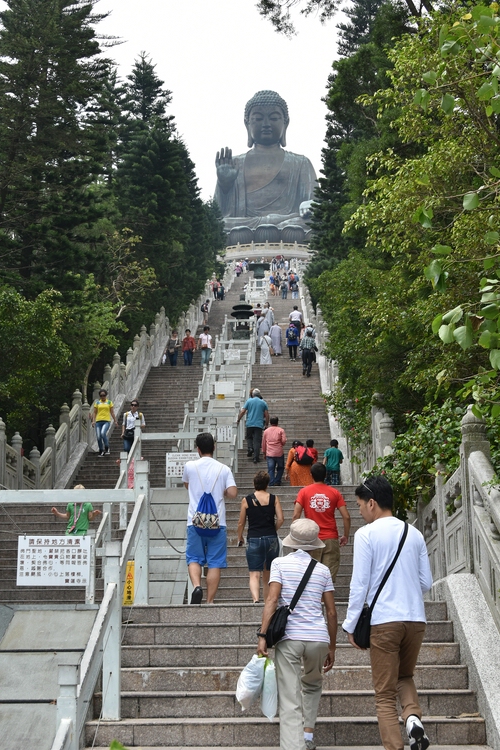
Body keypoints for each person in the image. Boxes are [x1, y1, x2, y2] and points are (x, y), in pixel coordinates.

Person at [343, 476, 433, 750]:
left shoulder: (366, 534)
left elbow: (359, 583)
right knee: (404, 676)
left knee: (383, 694)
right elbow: (426, 583)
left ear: (372, 503)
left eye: (359, 505)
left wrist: (350, 624)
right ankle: (413, 719)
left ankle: (395, 746)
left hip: (384, 621)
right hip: (415, 620)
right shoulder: (413, 532)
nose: (358, 511)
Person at [257, 518, 337, 750]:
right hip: (318, 638)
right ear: (314, 545)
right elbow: (331, 612)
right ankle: (308, 735)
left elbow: (272, 599)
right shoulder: (322, 570)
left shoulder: (279, 564)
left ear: (291, 543)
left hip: (289, 637)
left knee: (290, 695)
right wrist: (332, 646)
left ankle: (294, 746)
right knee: (312, 685)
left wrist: (263, 635)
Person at [214, 90, 317, 232]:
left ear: (285, 123)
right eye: (258, 119)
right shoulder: (234, 163)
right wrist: (224, 185)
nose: (266, 124)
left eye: (274, 118)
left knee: (314, 222)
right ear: (247, 124)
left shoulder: (300, 163)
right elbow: (216, 213)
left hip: (288, 222)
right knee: (217, 225)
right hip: (243, 225)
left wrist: (310, 204)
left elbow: (315, 204)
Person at [183, 432, 238, 604]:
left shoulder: (190, 466)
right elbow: (233, 493)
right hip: (217, 522)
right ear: (214, 448)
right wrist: (220, 490)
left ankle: (197, 586)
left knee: (193, 558)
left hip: (195, 521)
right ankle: (210, 601)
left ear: (198, 449)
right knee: (215, 562)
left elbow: (187, 485)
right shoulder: (224, 469)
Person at [292, 463, 351, 583]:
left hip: (311, 539)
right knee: (327, 579)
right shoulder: (335, 493)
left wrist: (296, 536)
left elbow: (296, 515)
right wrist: (345, 535)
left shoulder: (303, 492)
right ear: (325, 475)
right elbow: (346, 516)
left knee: (310, 578)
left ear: (311, 475)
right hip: (331, 538)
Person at [236, 470, 284, 603]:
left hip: (254, 538)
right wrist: (272, 530)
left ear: (254, 483)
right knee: (268, 573)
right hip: (271, 538)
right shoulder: (274, 499)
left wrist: (240, 537)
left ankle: (256, 600)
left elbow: (241, 522)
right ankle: (268, 601)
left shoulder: (246, 500)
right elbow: (281, 519)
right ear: (267, 484)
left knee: (254, 573)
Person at [237, 388, 269, 464]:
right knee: (257, 441)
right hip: (259, 424)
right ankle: (256, 458)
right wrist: (266, 424)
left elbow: (243, 411)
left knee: (249, 437)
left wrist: (238, 419)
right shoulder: (263, 403)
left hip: (250, 423)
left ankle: (250, 448)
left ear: (253, 394)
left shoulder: (249, 401)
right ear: (259, 395)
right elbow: (267, 415)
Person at [91, 388, 118, 457]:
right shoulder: (97, 403)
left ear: (106, 395)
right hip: (98, 421)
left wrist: (115, 420)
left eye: (104, 395)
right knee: (98, 436)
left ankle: (106, 446)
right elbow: (94, 412)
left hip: (106, 421)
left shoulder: (109, 402)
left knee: (103, 433)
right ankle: (101, 450)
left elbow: (112, 412)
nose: (102, 397)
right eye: (101, 395)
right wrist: (93, 421)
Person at [262, 416, 287, 486]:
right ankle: (277, 480)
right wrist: (281, 443)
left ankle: (271, 482)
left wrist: (264, 452)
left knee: (271, 469)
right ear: (277, 422)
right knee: (281, 467)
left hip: (269, 453)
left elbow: (263, 443)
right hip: (279, 452)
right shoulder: (281, 430)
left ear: (270, 422)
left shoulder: (266, 431)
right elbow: (284, 440)